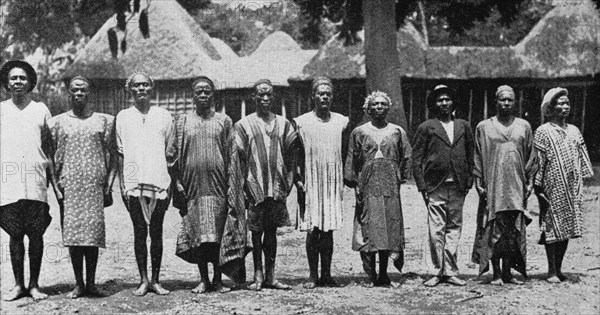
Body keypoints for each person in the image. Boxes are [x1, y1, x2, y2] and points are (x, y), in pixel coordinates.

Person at [49, 76, 117, 298]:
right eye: (74, 90)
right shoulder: (57, 122)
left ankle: (91, 283)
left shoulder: (103, 121)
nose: (79, 93)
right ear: (69, 93)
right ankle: (78, 283)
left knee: (92, 236)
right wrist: (57, 188)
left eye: (83, 90)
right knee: (74, 237)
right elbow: (49, 156)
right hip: (70, 186)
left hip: (94, 185)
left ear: (89, 93)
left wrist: (109, 184)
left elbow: (114, 156)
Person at [231, 79, 298, 291]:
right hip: (254, 185)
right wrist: (242, 185)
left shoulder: (284, 123)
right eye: (261, 95)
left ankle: (271, 275)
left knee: (271, 232)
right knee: (256, 233)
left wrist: (289, 179)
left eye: (269, 95)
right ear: (254, 98)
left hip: (276, 186)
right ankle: (257, 275)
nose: (266, 98)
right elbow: (239, 157)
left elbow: (292, 153)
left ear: (274, 97)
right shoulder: (243, 125)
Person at [0, 60, 57, 301]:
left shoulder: (41, 110)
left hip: (35, 180)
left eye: (22, 78)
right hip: (8, 181)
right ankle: (18, 285)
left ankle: (34, 285)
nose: (18, 82)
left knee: (36, 235)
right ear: (7, 83)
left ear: (30, 83)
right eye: (13, 78)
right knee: (14, 235)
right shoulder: (1, 110)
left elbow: (52, 145)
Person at [116, 72, 176, 296]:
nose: (141, 89)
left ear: (152, 88)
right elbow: (121, 153)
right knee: (139, 231)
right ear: (130, 90)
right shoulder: (123, 117)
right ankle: (143, 280)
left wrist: (169, 183)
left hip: (159, 181)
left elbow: (171, 152)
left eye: (145, 85)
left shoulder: (163, 116)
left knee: (157, 231)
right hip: (134, 183)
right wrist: (124, 183)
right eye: (136, 86)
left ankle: (156, 280)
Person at [173, 76, 235, 294]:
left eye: (207, 91)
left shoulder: (224, 121)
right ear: (192, 95)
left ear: (213, 95)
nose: (203, 95)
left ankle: (218, 279)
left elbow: (232, 155)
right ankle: (203, 279)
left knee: (217, 233)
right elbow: (172, 156)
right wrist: (177, 182)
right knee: (198, 234)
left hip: (218, 186)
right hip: (192, 187)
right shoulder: (182, 122)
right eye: (199, 91)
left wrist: (231, 184)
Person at [344, 91, 411, 287]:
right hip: (368, 184)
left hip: (390, 184)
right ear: (368, 108)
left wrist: (401, 177)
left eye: (383, 104)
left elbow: (406, 155)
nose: (379, 107)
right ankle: (371, 274)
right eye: (375, 104)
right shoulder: (359, 132)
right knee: (370, 228)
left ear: (388, 108)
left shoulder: (397, 131)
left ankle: (384, 274)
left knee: (389, 227)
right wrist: (355, 184)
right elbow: (352, 159)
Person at [471, 85, 534, 286]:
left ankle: (508, 272)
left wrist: (530, 182)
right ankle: (496, 273)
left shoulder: (524, 126)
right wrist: (479, 184)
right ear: (495, 102)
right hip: (493, 186)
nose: (506, 103)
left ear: (515, 102)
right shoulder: (484, 127)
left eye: (510, 100)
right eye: (502, 99)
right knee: (493, 229)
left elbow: (531, 157)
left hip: (515, 186)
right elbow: (478, 158)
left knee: (511, 231)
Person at [412, 84, 474, 287]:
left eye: (447, 99)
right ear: (434, 104)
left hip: (458, 183)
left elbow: (470, 154)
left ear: (453, 103)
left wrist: (469, 180)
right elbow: (417, 158)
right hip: (434, 184)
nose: (444, 103)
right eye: (440, 100)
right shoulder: (427, 127)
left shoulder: (463, 126)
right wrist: (422, 186)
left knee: (454, 227)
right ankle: (435, 272)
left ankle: (451, 271)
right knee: (436, 228)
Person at [533, 87, 593, 283]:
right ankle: (551, 270)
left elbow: (582, 157)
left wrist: (583, 179)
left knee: (566, 226)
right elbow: (539, 161)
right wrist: (538, 187)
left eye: (567, 103)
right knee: (552, 226)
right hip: (552, 185)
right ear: (550, 108)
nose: (564, 107)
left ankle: (559, 268)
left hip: (572, 185)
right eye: (560, 104)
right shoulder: (543, 131)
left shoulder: (574, 130)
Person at [294, 77, 349, 288]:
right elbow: (295, 154)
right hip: (311, 180)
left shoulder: (341, 121)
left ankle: (327, 274)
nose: (324, 96)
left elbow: (345, 151)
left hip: (332, 180)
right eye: (320, 93)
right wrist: (298, 180)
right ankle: (312, 275)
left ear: (332, 98)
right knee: (313, 228)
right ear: (313, 97)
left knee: (328, 229)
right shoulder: (302, 122)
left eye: (328, 94)